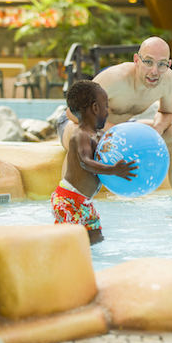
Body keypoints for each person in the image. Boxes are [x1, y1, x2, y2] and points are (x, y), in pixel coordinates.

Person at [59, 36, 172, 195]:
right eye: (148, 62)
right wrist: (112, 133)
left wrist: (157, 130)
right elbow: (74, 113)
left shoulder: (167, 80)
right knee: (80, 135)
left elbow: (167, 112)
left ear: (168, 65)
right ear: (137, 60)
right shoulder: (115, 79)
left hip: (121, 129)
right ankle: (69, 204)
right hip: (79, 124)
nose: (154, 71)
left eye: (161, 64)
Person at [52, 80, 138, 244]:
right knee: (69, 243)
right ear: (95, 108)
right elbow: (85, 162)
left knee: (96, 238)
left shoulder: (98, 135)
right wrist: (114, 169)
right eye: (106, 106)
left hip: (84, 202)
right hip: (68, 200)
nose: (108, 111)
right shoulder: (81, 135)